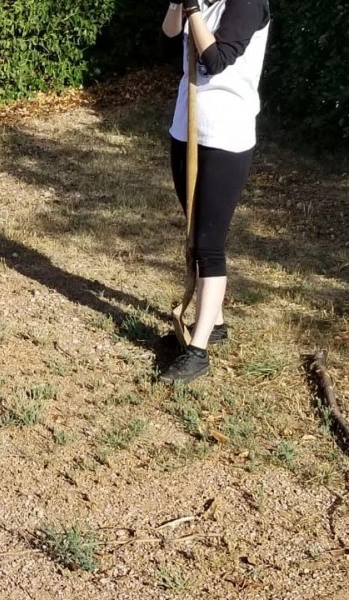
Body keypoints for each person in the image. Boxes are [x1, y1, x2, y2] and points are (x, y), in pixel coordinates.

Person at [159, 0, 270, 384]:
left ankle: (198, 350)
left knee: (208, 244)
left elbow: (215, 59)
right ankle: (215, 322)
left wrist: (191, 10)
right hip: (186, 130)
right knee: (193, 230)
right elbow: (170, 31)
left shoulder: (250, 4)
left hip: (226, 137)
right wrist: (179, 5)